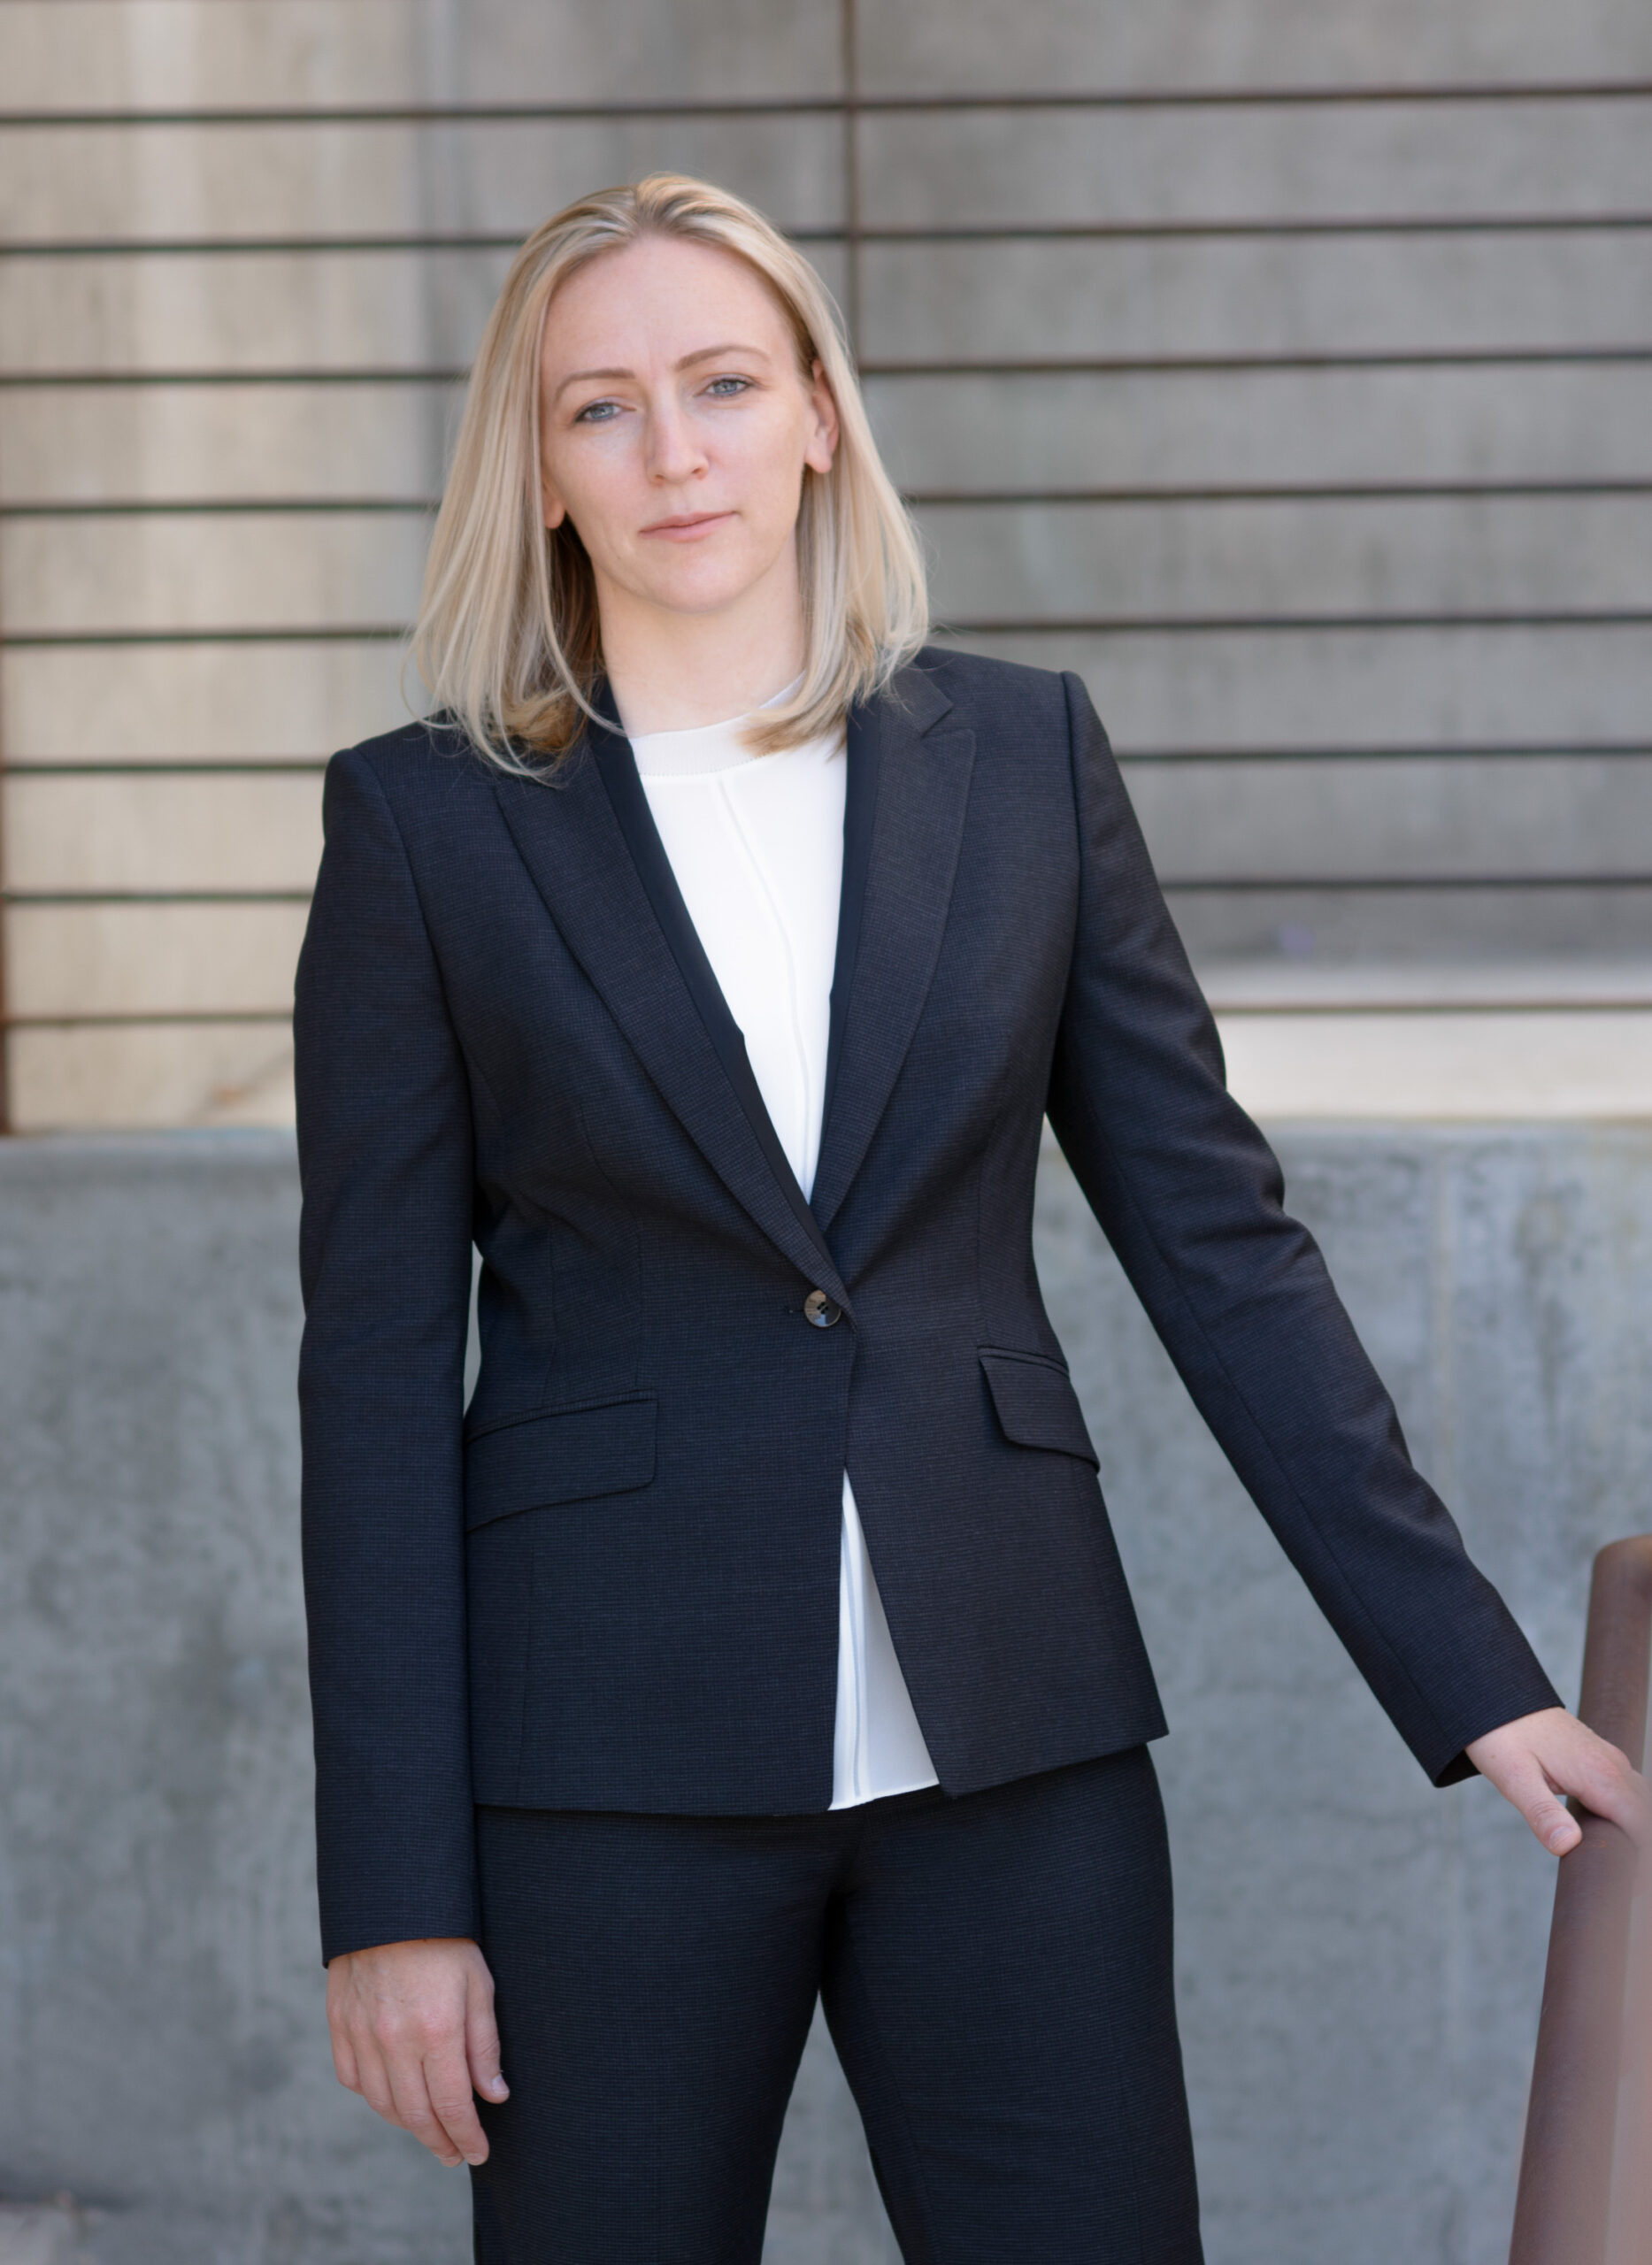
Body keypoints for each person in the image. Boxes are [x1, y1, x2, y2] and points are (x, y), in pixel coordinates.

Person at [294, 173, 1642, 2265]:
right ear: (538, 468)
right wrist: (394, 1894)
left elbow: (1217, 1238)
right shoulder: (425, 822)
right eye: (604, 407)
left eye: (726, 383)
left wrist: (1471, 1669)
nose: (677, 453)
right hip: (600, 1779)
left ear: (820, 412)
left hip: (1015, 1748)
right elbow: (373, 1373)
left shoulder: (1022, 756)